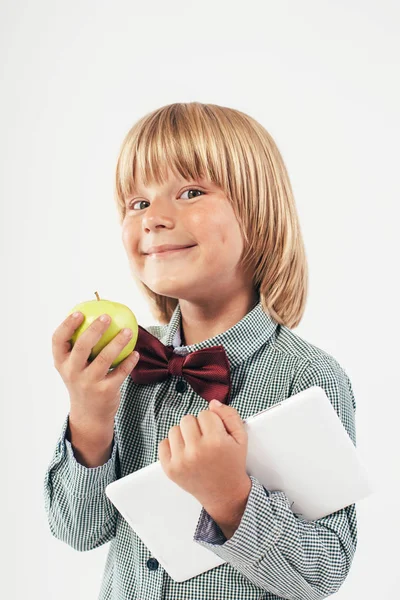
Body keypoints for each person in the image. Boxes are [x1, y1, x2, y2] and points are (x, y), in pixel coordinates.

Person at [44, 102, 358, 600]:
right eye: (137, 203)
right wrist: (89, 416)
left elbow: (321, 575)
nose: (154, 220)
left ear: (257, 213)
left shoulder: (309, 376)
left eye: (189, 192)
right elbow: (77, 530)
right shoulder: (124, 361)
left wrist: (231, 497)